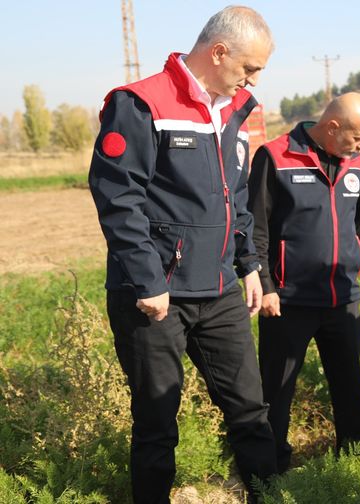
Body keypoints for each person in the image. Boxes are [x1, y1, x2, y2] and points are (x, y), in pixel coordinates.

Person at [88, 6, 276, 502]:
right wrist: (148, 282)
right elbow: (118, 199)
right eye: (249, 68)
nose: (253, 80)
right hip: (154, 298)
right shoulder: (141, 103)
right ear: (218, 52)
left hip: (219, 292)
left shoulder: (235, 111)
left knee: (250, 412)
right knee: (156, 422)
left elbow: (234, 196)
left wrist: (249, 265)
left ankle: (269, 496)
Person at [247, 92, 360, 473]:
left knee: (349, 387)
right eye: (357, 138)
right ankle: (272, 475)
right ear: (332, 127)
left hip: (343, 298)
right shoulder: (275, 157)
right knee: (277, 393)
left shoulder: (356, 164)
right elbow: (256, 229)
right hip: (288, 302)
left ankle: (354, 465)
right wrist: (265, 285)